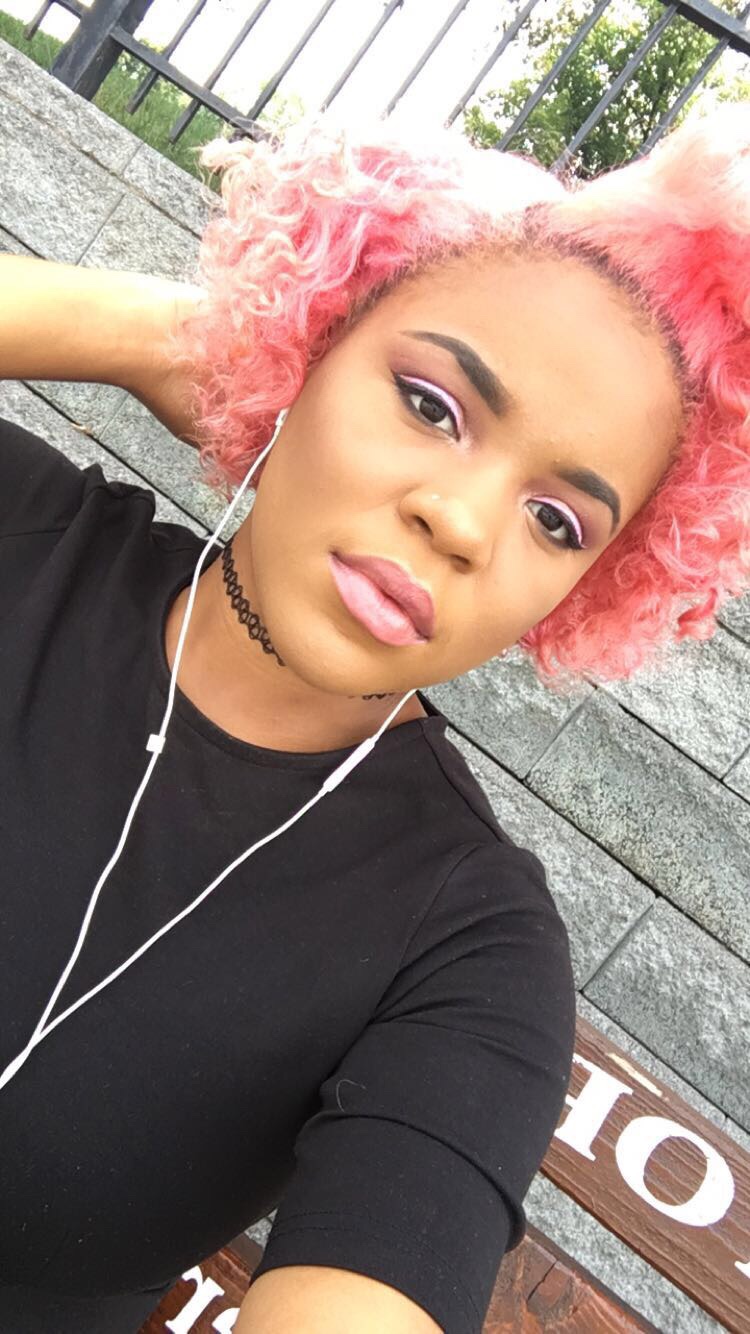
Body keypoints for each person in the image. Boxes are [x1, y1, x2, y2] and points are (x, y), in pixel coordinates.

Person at [0, 102, 747, 1334]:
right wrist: (171, 338)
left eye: (557, 520)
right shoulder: (24, 533)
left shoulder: (471, 955)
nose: (462, 521)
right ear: (314, 344)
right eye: (431, 403)